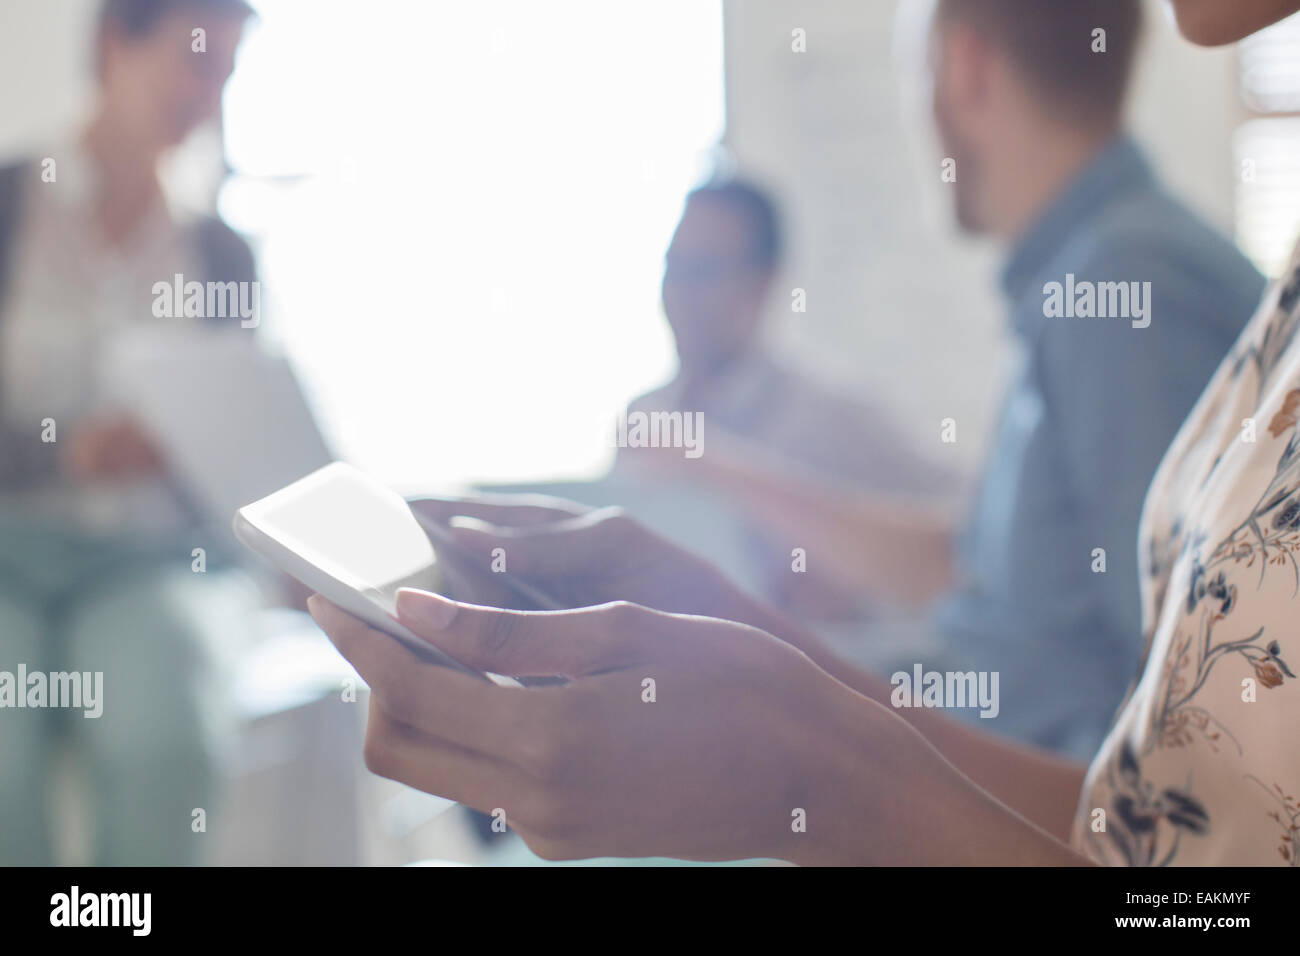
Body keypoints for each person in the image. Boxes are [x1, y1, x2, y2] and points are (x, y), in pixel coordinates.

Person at [311, 0, 1300, 866]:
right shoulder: (1177, 288)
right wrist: (746, 638)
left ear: (960, 68)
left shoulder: (1126, 285)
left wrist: (819, 774)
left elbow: (1177, 803)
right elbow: (1148, 811)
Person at [631, 0, 1267, 760]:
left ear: (963, 69)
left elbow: (1193, 722)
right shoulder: (1093, 273)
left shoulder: (1127, 286)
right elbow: (972, 569)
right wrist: (719, 473)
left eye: (920, 76)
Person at [0, 0, 256, 865]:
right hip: (8, 552)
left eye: (225, 70)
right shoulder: (9, 205)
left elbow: (244, 450)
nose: (207, 93)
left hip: (150, 561)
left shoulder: (221, 253)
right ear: (116, 42)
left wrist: (185, 447)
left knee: (164, 745)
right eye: (195, 59)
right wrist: (62, 451)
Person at [617, 177, 954, 619]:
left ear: (763, 284)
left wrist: (860, 601)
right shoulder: (644, 416)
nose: (680, 291)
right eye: (672, 266)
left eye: (703, 270)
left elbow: (968, 542)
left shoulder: (832, 416)